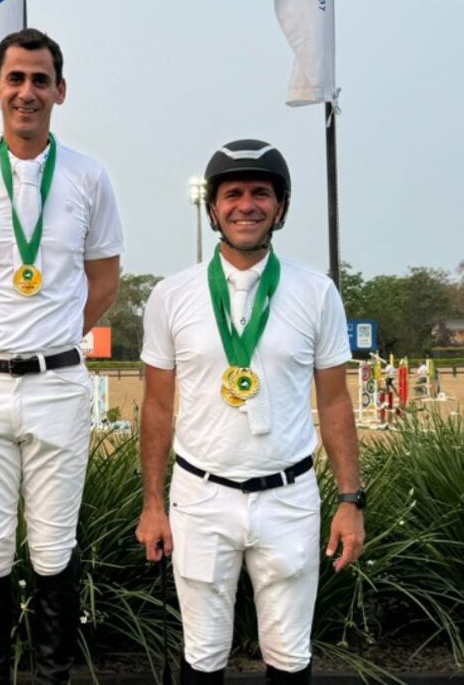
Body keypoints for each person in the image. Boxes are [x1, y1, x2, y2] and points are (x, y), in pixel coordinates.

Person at [0, 28, 123, 683]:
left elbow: (105, 276)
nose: (27, 92)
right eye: (15, 79)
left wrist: (56, 329)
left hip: (57, 384)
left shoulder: (90, 176)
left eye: (40, 80)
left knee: (51, 548)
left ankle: (52, 676)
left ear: (60, 91)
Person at [136, 139, 365, 684]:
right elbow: (157, 407)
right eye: (232, 193)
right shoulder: (172, 295)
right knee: (203, 656)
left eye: (261, 193)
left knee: (289, 656)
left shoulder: (317, 292)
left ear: (280, 207)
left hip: (288, 497)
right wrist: (152, 503)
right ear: (212, 208)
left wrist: (351, 500)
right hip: (201, 497)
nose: (247, 205)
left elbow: (334, 400)